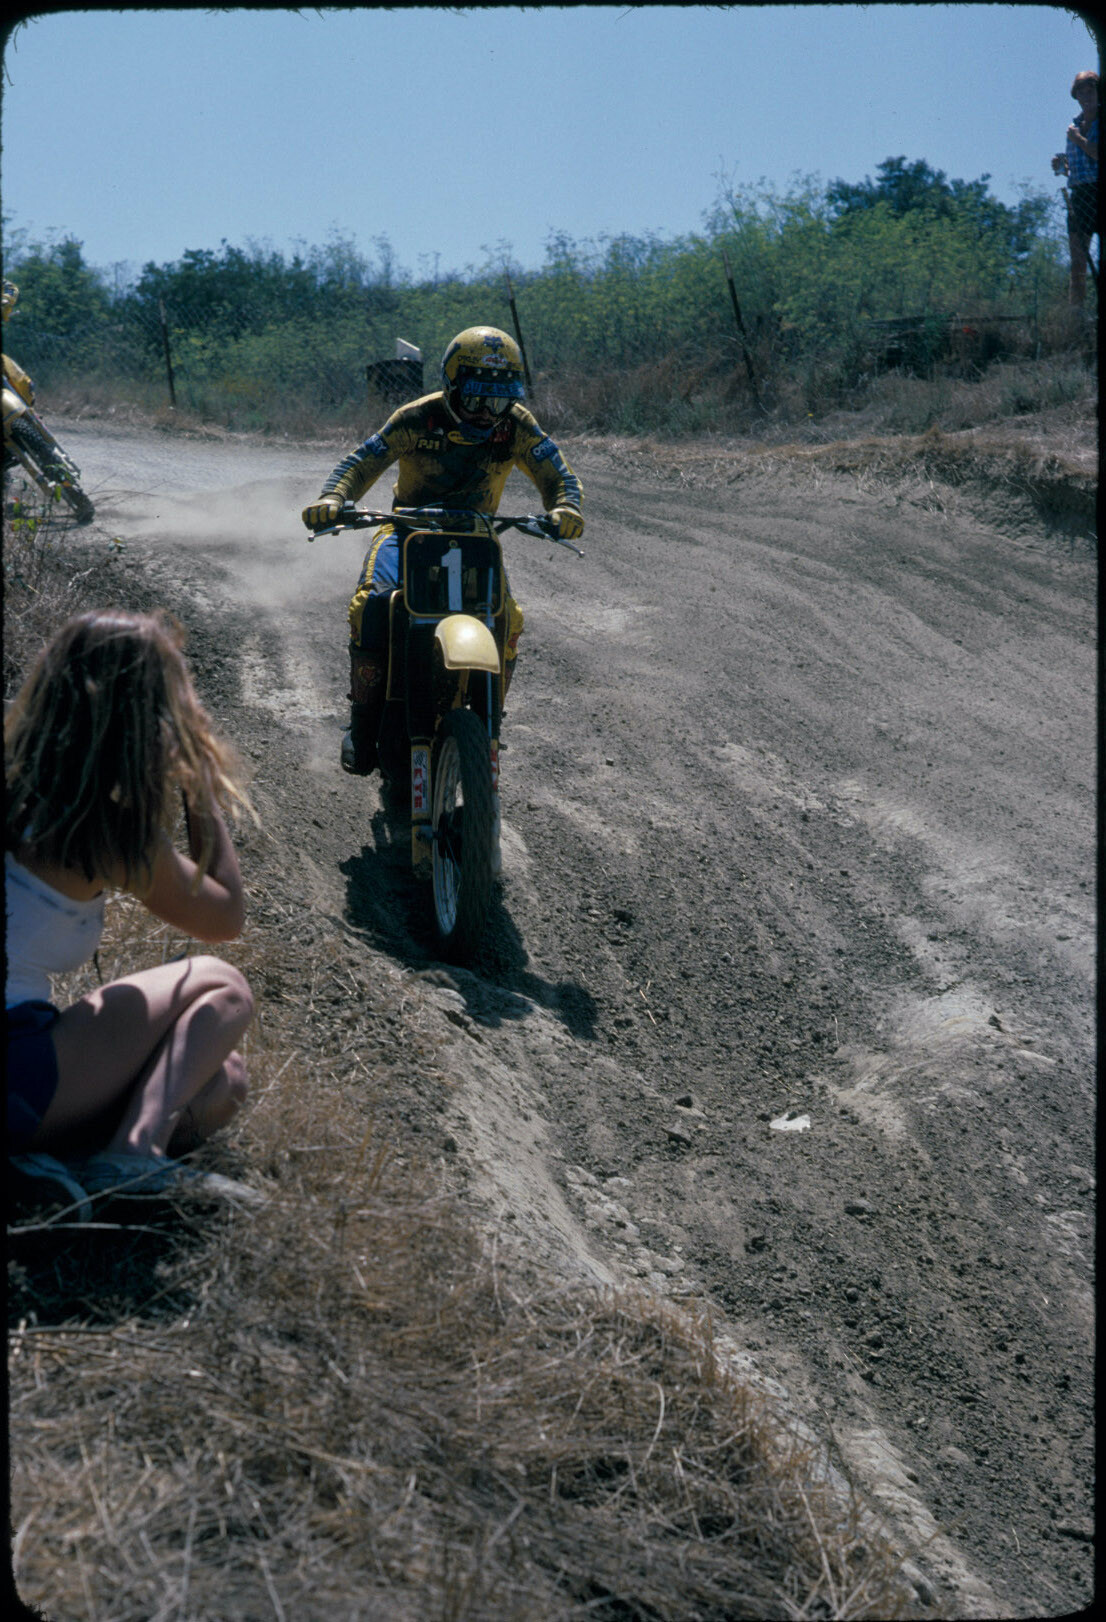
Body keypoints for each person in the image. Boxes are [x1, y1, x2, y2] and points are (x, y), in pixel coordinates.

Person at [5, 609, 257, 1209]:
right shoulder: (103, 832)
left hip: (23, 1074)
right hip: (16, 1074)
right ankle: (131, 1158)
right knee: (222, 987)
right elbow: (225, 920)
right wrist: (198, 781)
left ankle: (40, 1164)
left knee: (222, 1081)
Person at [301, 326, 584, 775]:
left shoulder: (518, 425)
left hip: (476, 538)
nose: (490, 412)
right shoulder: (417, 417)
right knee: (373, 605)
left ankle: (490, 726)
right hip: (405, 531)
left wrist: (566, 507)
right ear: (452, 385)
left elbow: (559, 477)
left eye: (500, 399)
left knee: (507, 618)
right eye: (477, 399)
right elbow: (360, 462)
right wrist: (333, 497)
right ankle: (361, 723)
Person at [1051, 70, 1099, 306]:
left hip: (1100, 191)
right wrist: (1063, 165)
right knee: (1078, 262)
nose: (1086, 96)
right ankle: (1076, 317)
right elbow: (1080, 163)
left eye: (1090, 90)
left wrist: (1078, 139)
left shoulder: (1080, 130)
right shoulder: (1074, 125)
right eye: (1081, 92)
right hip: (1080, 195)